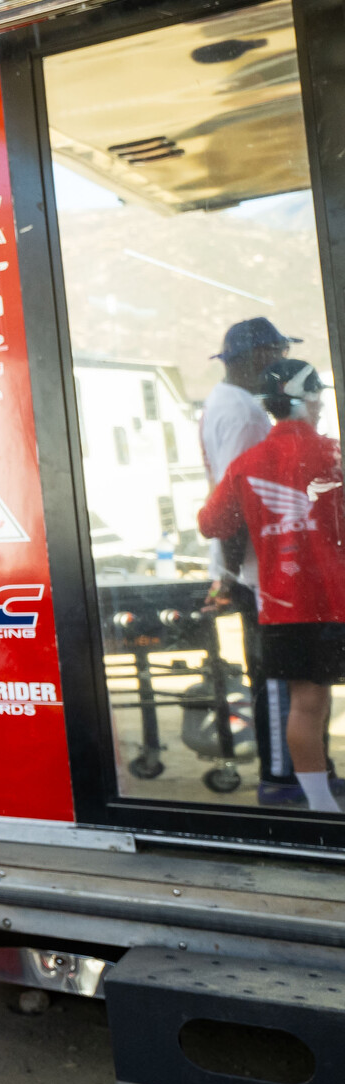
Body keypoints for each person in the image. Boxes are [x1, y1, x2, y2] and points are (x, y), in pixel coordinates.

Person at [200, 358, 344, 814]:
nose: (322, 403)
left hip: (286, 603)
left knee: (306, 705)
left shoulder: (248, 462)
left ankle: (322, 810)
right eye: (318, 394)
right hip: (338, 597)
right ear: (306, 398)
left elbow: (212, 522)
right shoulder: (334, 455)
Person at [200, 318, 299, 804]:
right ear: (258, 355)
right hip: (260, 571)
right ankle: (282, 778)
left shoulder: (226, 401)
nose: (282, 359)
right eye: (278, 350)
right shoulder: (243, 414)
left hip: (251, 567)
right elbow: (237, 497)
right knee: (278, 674)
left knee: (281, 672)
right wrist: (233, 573)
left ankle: (299, 770)